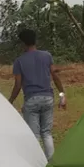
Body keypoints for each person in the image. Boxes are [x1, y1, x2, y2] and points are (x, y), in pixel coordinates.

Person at [9, 27, 65, 159]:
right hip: (48, 98)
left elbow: (18, 85)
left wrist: (10, 101)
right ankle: (51, 163)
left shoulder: (19, 61)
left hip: (32, 100)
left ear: (22, 43)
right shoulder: (46, 56)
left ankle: (37, 164)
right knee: (47, 133)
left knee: (34, 135)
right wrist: (62, 95)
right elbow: (55, 77)